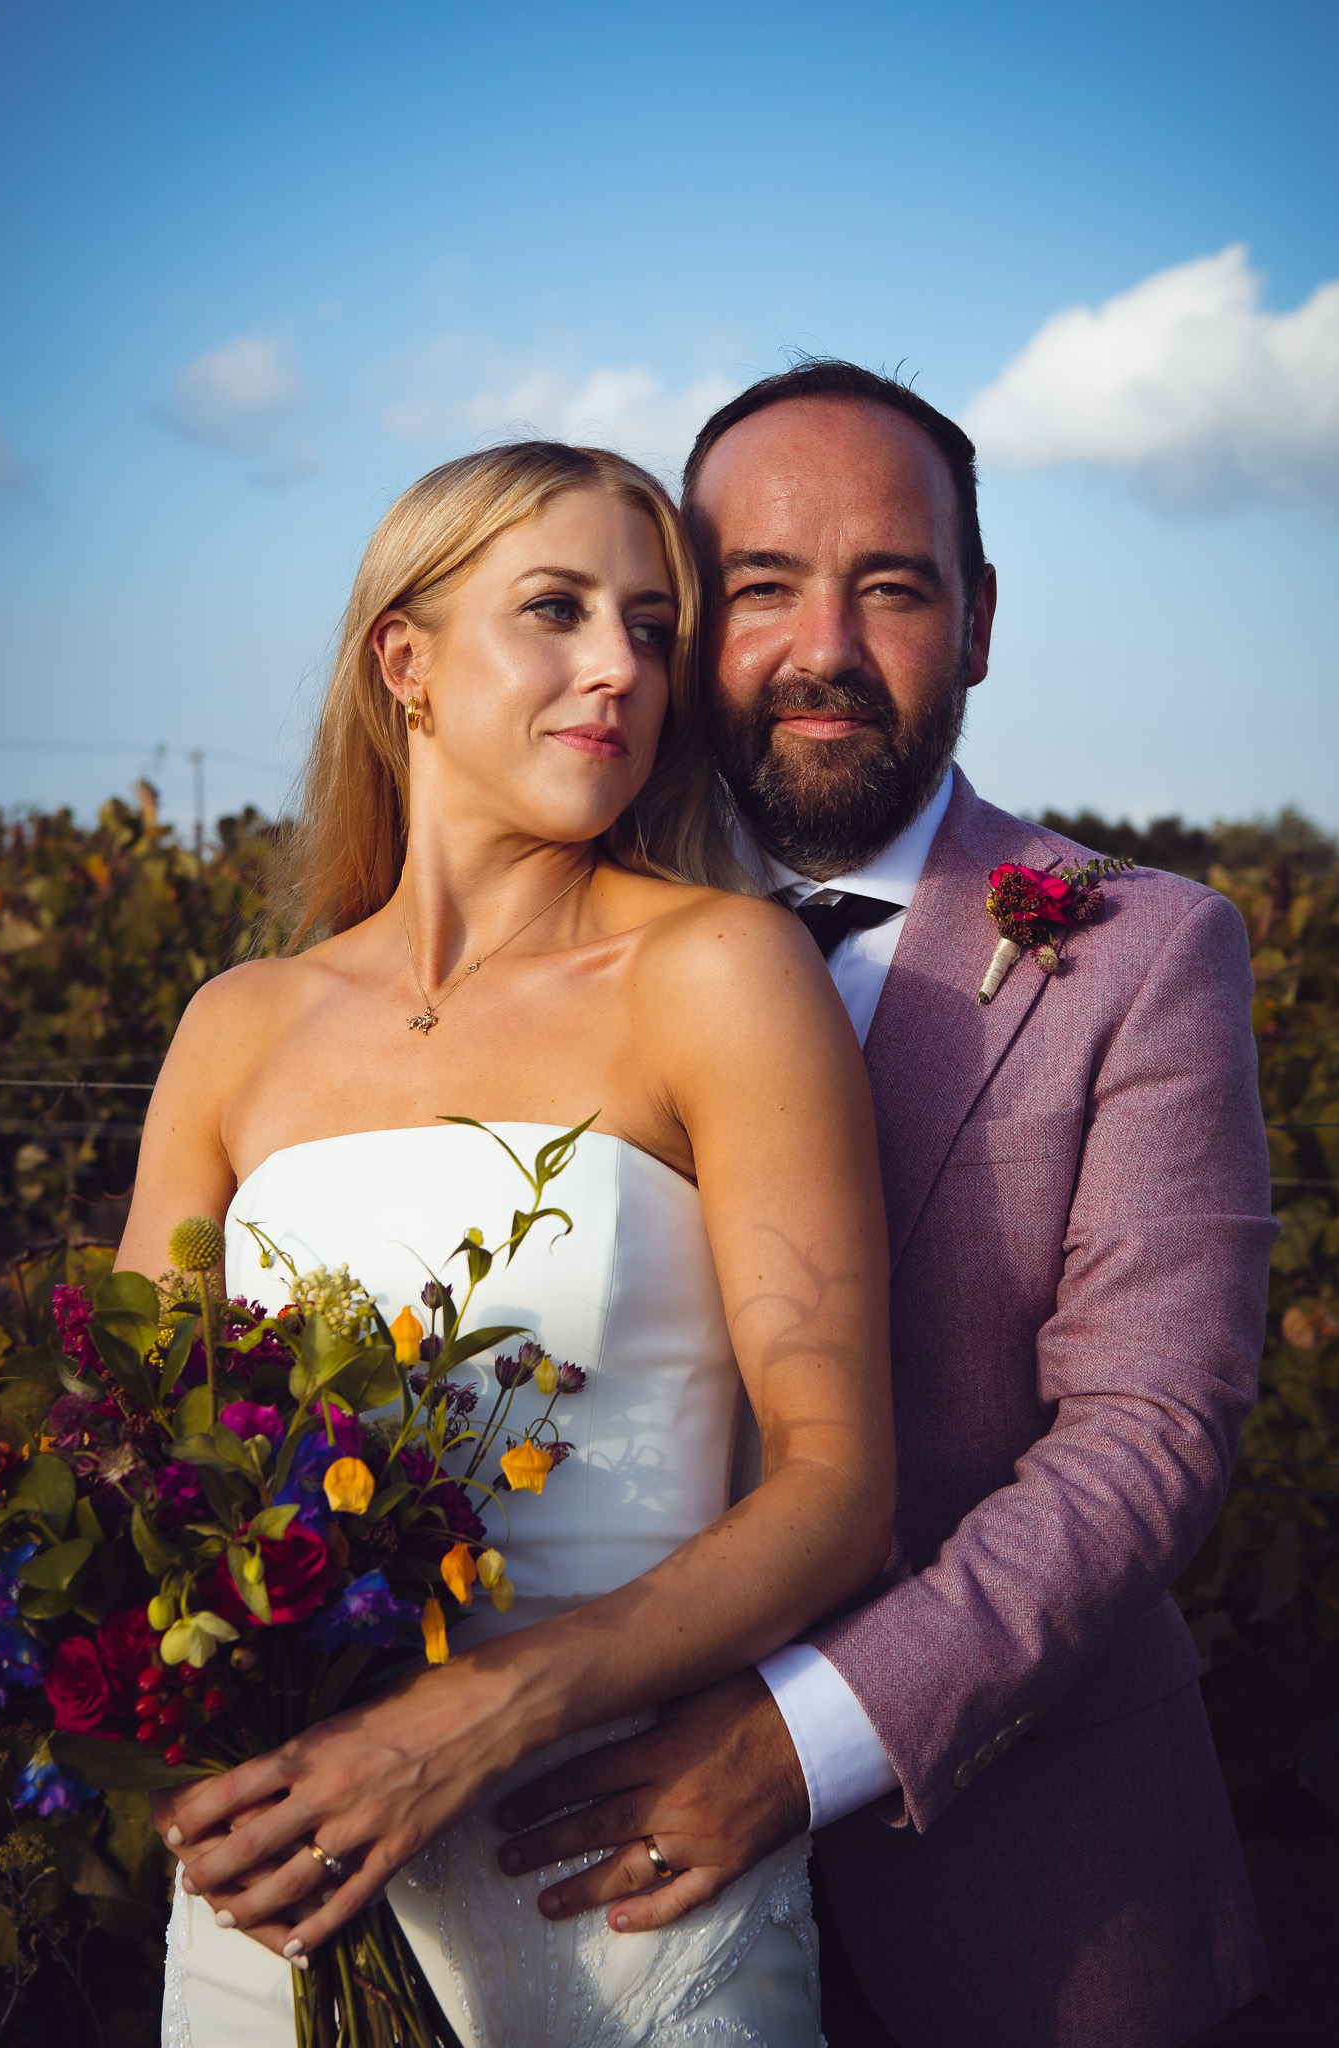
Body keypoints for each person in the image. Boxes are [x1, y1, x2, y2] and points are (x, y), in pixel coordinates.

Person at [492, 365, 1276, 2048]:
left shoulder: (1141, 952)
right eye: (760, 588)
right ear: (688, 624)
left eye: (894, 586)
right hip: (576, 1909)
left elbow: (1149, 1434)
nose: (824, 647)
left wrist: (804, 1738)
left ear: (978, 621)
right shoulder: (528, 967)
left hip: (1038, 1910)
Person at [123, 440, 896, 2047]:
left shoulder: (720, 973)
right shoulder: (237, 1029)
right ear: (401, 659)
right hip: (287, 1882)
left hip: (607, 1872)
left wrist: (490, 1711)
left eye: (655, 627)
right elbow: (136, 1477)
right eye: (555, 609)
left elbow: (837, 1488)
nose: (619, 668)